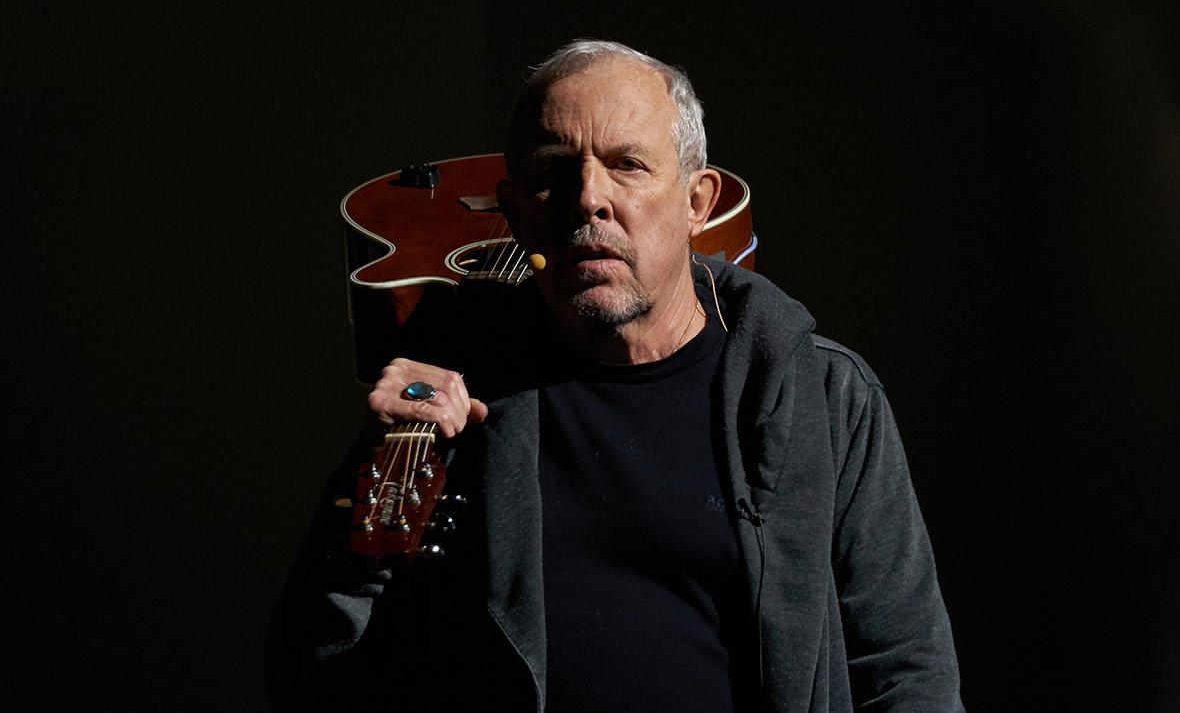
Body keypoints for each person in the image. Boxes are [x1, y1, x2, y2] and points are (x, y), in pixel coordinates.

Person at [267, 40, 963, 712]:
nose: (588, 199)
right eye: (553, 170)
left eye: (627, 164)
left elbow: (906, 670)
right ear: (515, 211)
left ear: (697, 202)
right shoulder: (456, 395)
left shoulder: (825, 395)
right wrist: (371, 488)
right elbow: (311, 676)